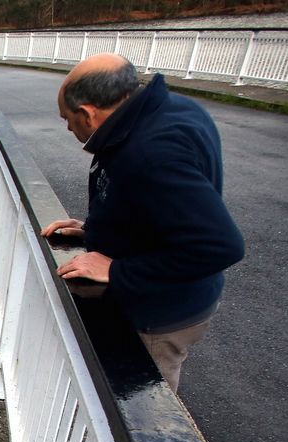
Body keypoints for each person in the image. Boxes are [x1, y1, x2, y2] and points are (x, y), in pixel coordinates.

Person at [41, 53, 245, 392]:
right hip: (170, 299)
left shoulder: (153, 152)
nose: (67, 127)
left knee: (143, 409)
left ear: (88, 113)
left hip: (162, 315)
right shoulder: (168, 111)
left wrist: (117, 271)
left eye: (68, 118)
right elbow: (161, 205)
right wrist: (96, 229)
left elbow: (220, 246)